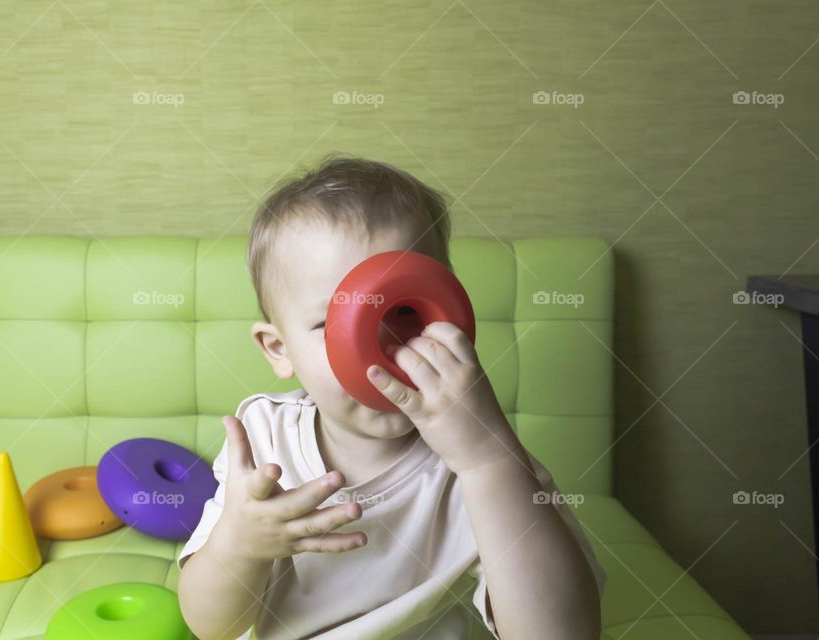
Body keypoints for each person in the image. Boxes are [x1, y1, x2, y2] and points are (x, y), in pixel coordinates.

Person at [177, 154, 607, 640]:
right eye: (332, 325)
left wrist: (487, 462)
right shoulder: (262, 444)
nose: (380, 349)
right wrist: (240, 547)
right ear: (280, 350)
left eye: (404, 310)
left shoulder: (485, 461)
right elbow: (211, 626)